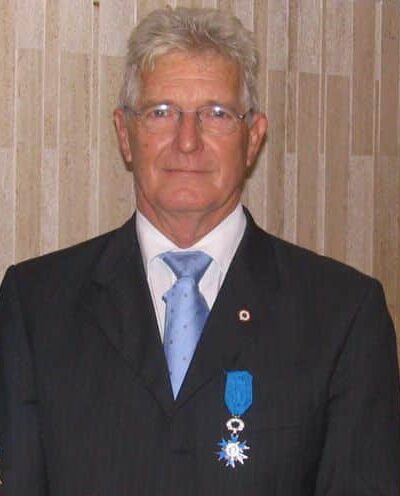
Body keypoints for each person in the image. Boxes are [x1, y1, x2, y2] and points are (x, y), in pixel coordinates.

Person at [0, 6, 399, 496]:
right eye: (161, 112)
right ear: (125, 134)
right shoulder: (35, 306)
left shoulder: (343, 315)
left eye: (216, 114)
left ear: (253, 139)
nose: (187, 141)